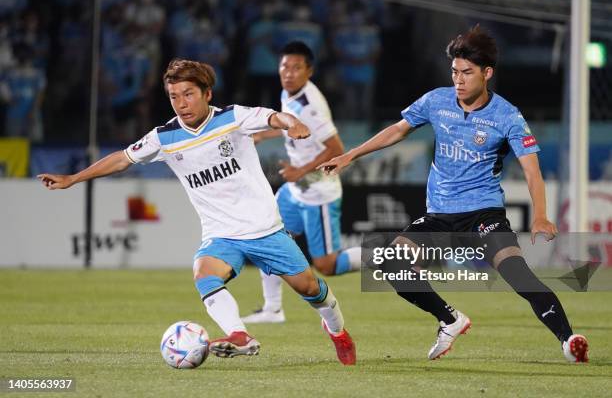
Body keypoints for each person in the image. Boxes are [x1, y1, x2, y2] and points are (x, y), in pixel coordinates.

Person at [38, 58, 356, 365]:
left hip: (265, 230)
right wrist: (74, 178)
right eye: (174, 96)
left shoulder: (232, 118)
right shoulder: (164, 137)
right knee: (203, 273)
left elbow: (274, 117)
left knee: (313, 290)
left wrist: (294, 122)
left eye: (188, 94)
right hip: (221, 235)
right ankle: (239, 336)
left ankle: (338, 331)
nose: (181, 103)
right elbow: (122, 158)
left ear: (207, 94)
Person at [318, 26, 588, 363]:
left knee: (518, 275)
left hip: (483, 215)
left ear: (487, 73)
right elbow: (398, 130)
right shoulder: (436, 100)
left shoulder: (507, 116)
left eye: (467, 73)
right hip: (439, 216)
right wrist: (350, 154)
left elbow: (532, 171)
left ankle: (568, 340)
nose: (459, 80)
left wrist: (541, 215)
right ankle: (449, 319)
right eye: (455, 72)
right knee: (392, 263)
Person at [241, 41, 361, 324]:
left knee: (326, 265)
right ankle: (272, 309)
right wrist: (263, 134)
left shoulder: (311, 105)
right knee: (263, 232)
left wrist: (301, 171)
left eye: (297, 68)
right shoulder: (289, 93)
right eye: (285, 67)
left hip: (318, 192)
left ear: (309, 71)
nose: (289, 73)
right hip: (297, 189)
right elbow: (293, 128)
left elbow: (336, 147)